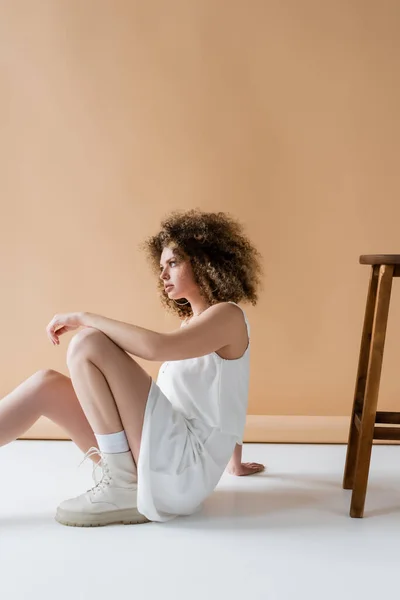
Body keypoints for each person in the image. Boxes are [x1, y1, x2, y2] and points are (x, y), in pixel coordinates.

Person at [0, 209, 265, 527]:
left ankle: (122, 486)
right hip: (165, 457)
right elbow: (227, 393)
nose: (163, 274)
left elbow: (156, 348)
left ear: (204, 261)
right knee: (45, 384)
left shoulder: (228, 316)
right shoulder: (192, 326)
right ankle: (122, 478)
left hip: (182, 470)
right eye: (162, 265)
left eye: (173, 262)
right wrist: (233, 463)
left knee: (87, 343)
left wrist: (84, 317)